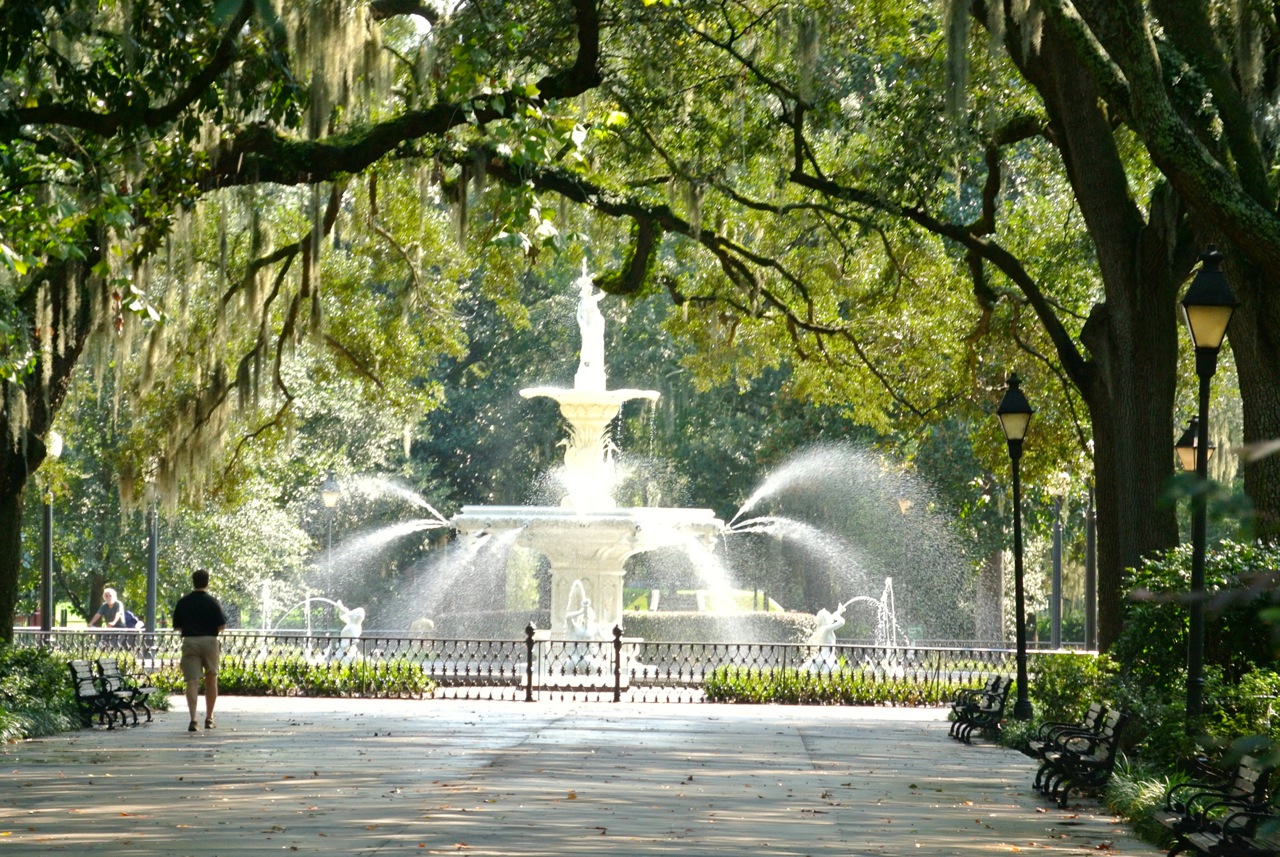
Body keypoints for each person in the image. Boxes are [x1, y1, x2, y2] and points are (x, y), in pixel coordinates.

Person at [172, 569, 228, 732]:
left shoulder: (183, 602)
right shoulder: (213, 602)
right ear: (207, 582)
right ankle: (209, 718)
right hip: (210, 642)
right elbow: (222, 626)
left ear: (193, 582)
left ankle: (193, 719)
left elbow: (177, 626)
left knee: (192, 681)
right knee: (211, 678)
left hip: (190, 642)